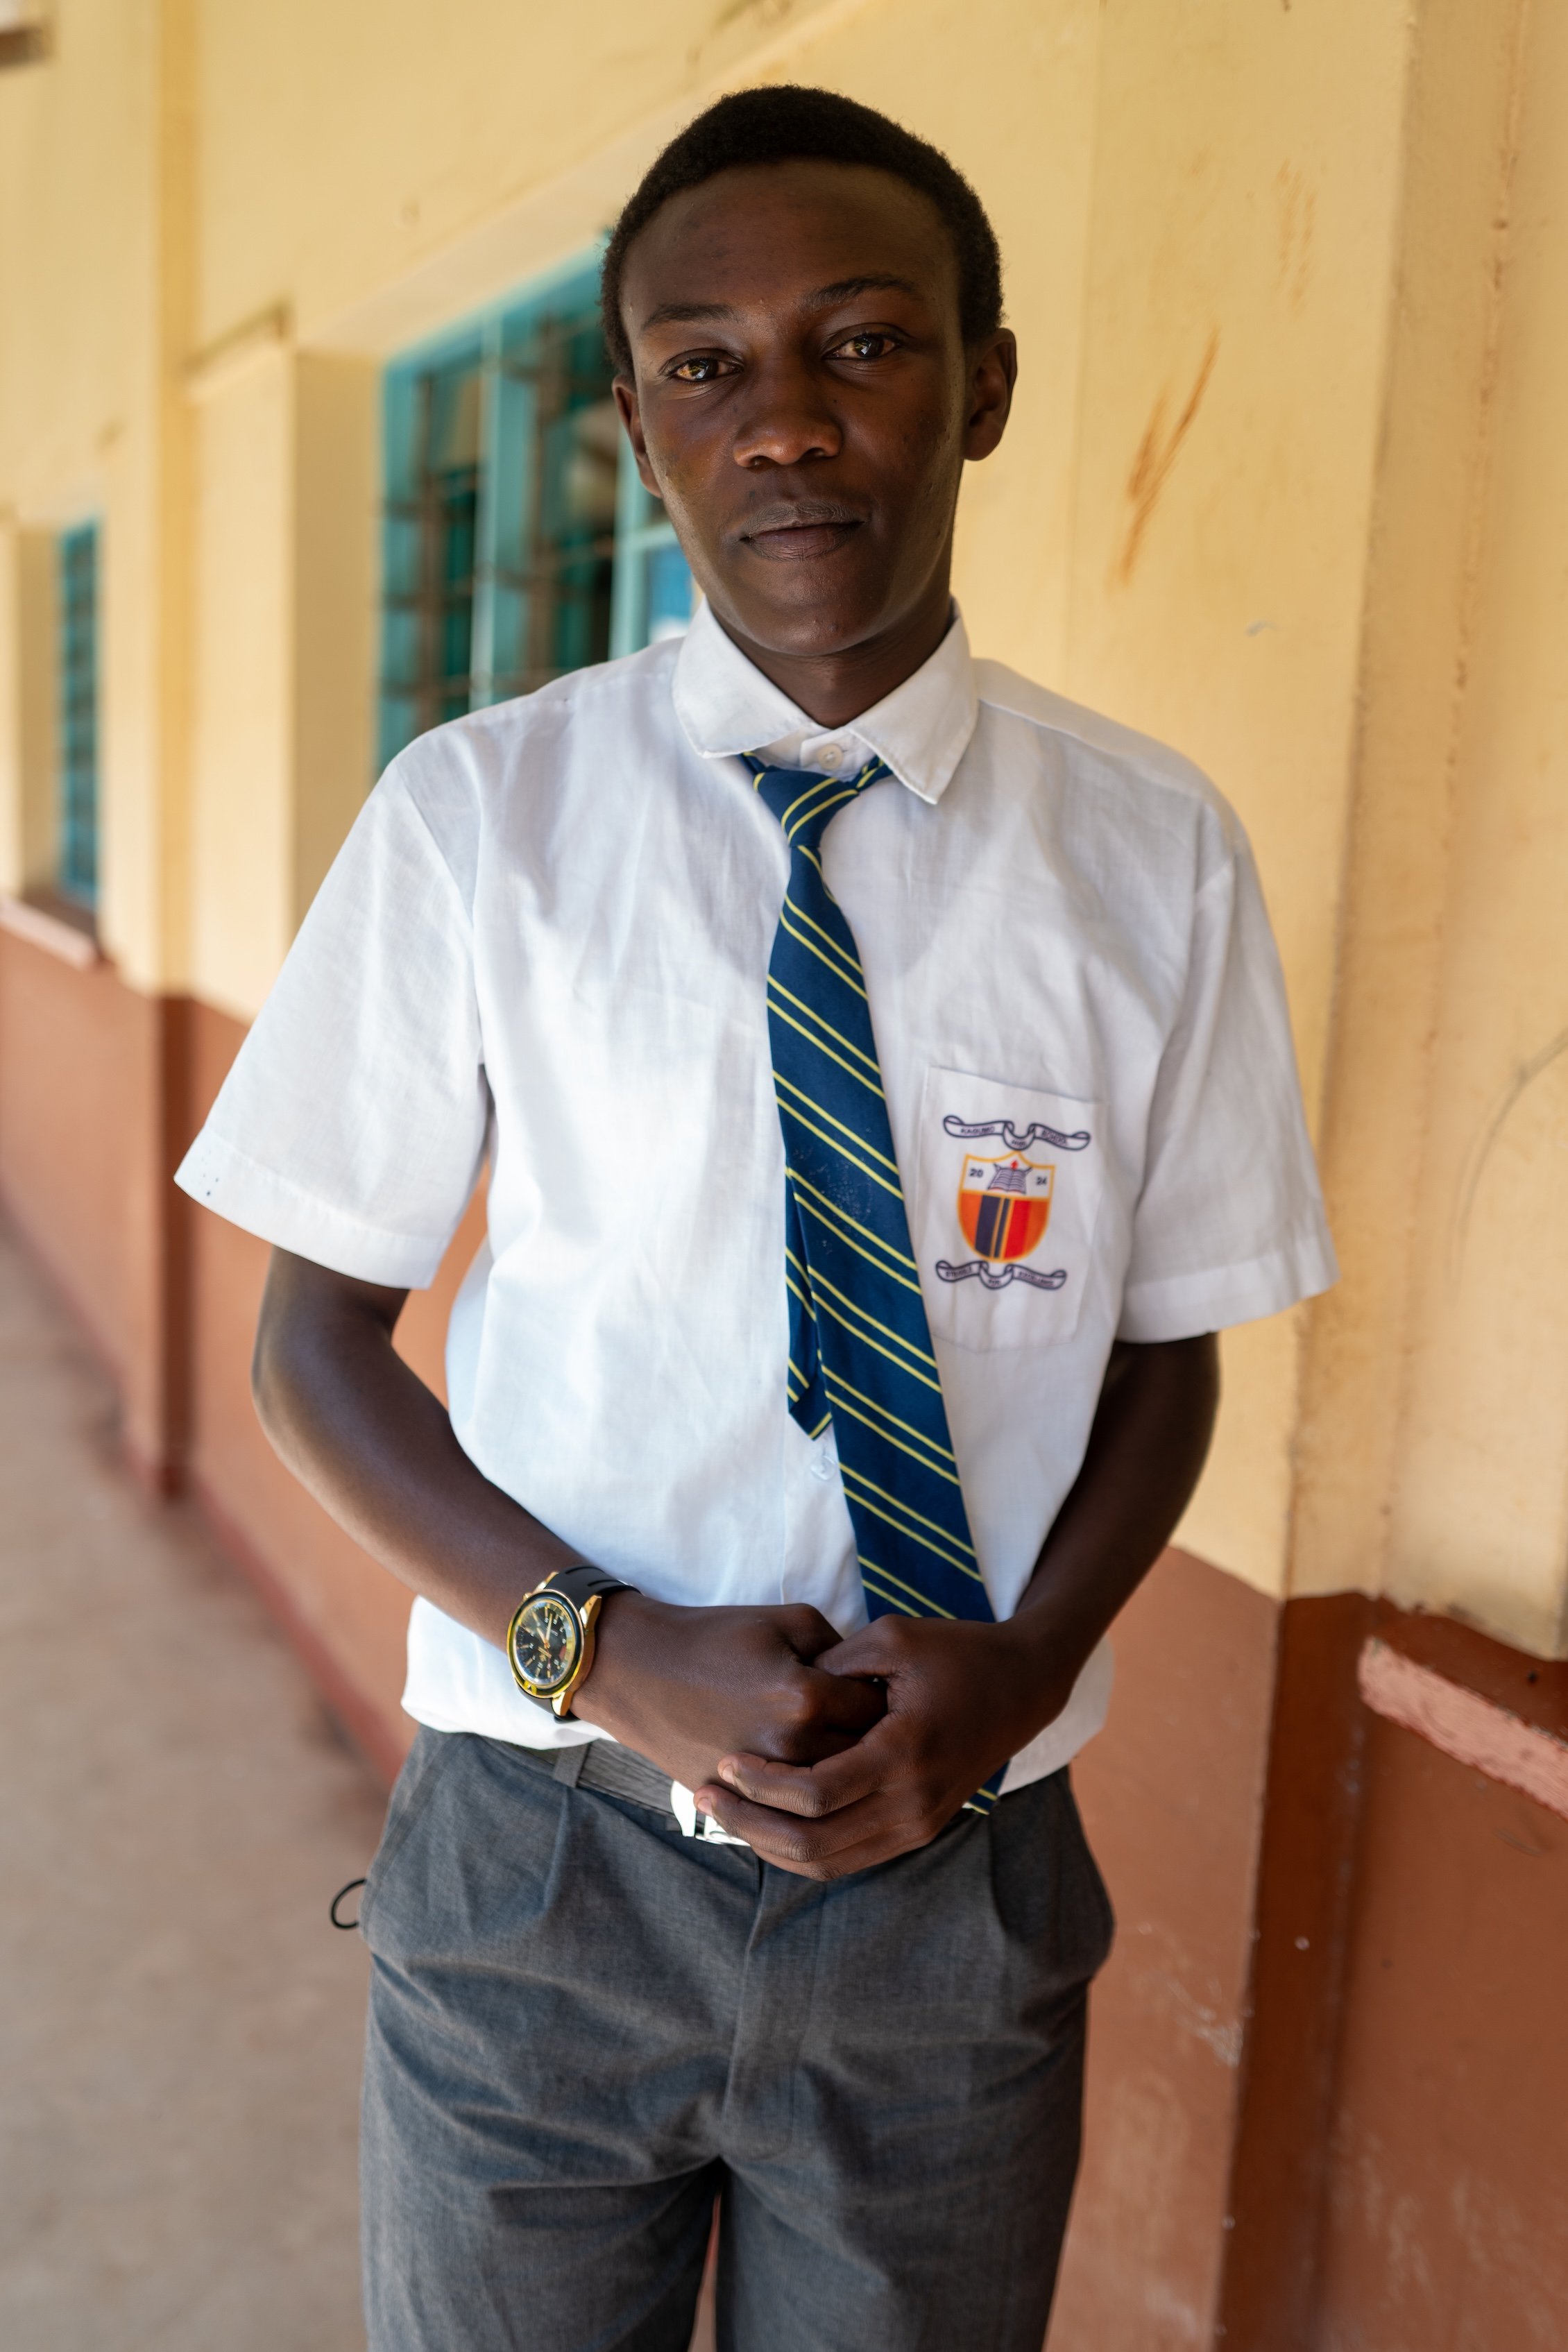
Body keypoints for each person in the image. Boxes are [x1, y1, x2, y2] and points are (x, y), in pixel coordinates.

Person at [176, 84, 1334, 2352]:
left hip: (955, 1874)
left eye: (865, 342)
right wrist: (599, 1647)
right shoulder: (482, 819)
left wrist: (1015, 1676)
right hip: (543, 1857)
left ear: (982, 382)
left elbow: (1164, 1345)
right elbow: (309, 1350)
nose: (783, 422)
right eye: (703, 363)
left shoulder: (1148, 851)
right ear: (631, 423)